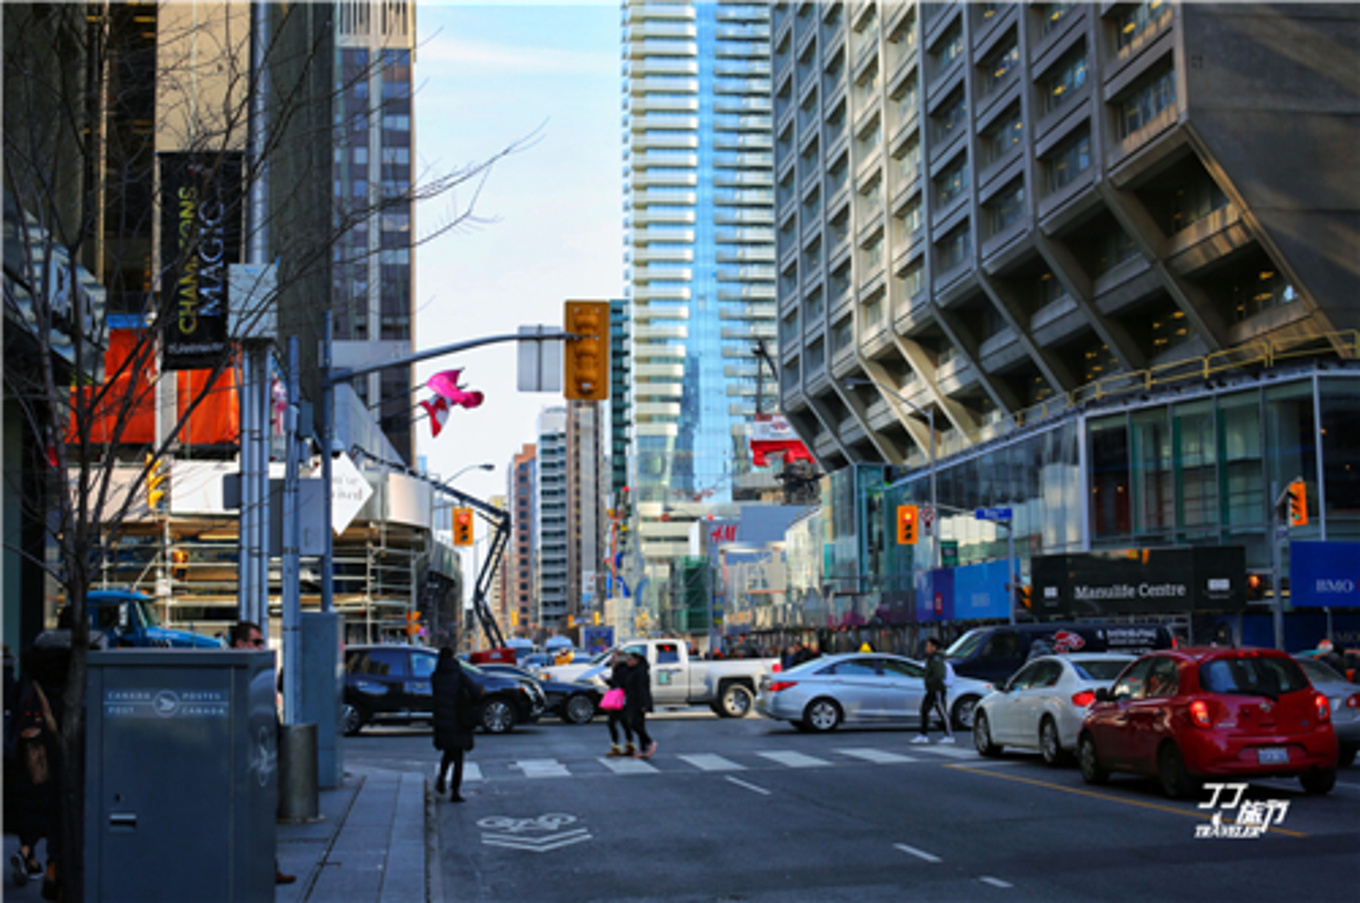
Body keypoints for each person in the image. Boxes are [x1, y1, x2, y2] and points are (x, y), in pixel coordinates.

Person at [230, 622, 295, 885]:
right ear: (240, 644)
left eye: (261, 642)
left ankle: (268, 866)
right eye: (256, 642)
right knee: (251, 818)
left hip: (259, 756)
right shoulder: (234, 674)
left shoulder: (257, 673)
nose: (261, 647)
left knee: (262, 817)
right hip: (244, 758)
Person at [432, 646, 482, 801]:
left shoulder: (435, 676)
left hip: (442, 720)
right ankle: (455, 790)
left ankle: (441, 777)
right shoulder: (459, 675)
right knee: (458, 756)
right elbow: (475, 691)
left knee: (449, 751)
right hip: (459, 720)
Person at [913, 637, 954, 745]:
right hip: (932, 689)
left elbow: (938, 674)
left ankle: (949, 735)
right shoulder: (931, 659)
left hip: (937, 689)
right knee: (924, 710)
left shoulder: (936, 660)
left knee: (942, 712)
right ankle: (923, 735)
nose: (926, 648)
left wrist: (931, 682)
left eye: (928, 646)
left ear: (934, 648)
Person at [623, 649, 657, 760]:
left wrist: (644, 705)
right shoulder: (631, 670)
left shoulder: (640, 672)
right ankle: (643, 749)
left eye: (630, 659)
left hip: (638, 702)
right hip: (632, 701)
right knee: (639, 724)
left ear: (636, 660)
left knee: (634, 724)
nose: (628, 661)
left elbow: (643, 689)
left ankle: (649, 742)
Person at [604, 650, 635, 757]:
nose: (612, 659)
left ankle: (616, 746)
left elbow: (619, 684)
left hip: (618, 700)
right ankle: (630, 745)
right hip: (624, 700)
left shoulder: (620, 670)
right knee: (624, 723)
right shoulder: (624, 668)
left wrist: (608, 681)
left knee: (611, 723)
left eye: (614, 657)